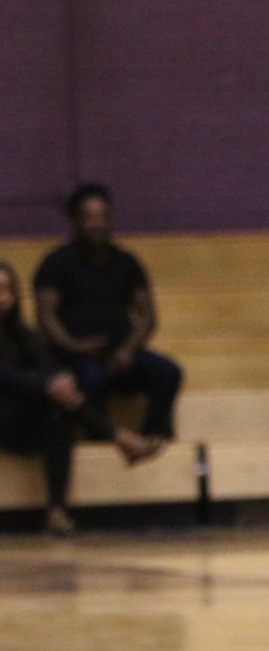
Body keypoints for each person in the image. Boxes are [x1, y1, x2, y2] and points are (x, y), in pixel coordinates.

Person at [0, 261, 159, 535]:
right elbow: (6, 377)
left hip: (23, 417)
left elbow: (45, 361)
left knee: (60, 417)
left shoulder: (20, 331)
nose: (1, 297)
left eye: (5, 290)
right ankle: (119, 437)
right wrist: (47, 386)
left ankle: (57, 511)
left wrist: (59, 379)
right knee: (55, 399)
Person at [32, 184, 182, 455]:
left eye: (103, 216)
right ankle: (102, 444)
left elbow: (147, 315)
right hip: (73, 357)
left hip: (120, 356)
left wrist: (127, 349)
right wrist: (74, 346)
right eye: (88, 217)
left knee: (168, 372)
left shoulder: (127, 262)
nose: (96, 224)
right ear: (75, 220)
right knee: (91, 377)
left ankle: (153, 438)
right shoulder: (56, 262)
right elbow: (46, 316)